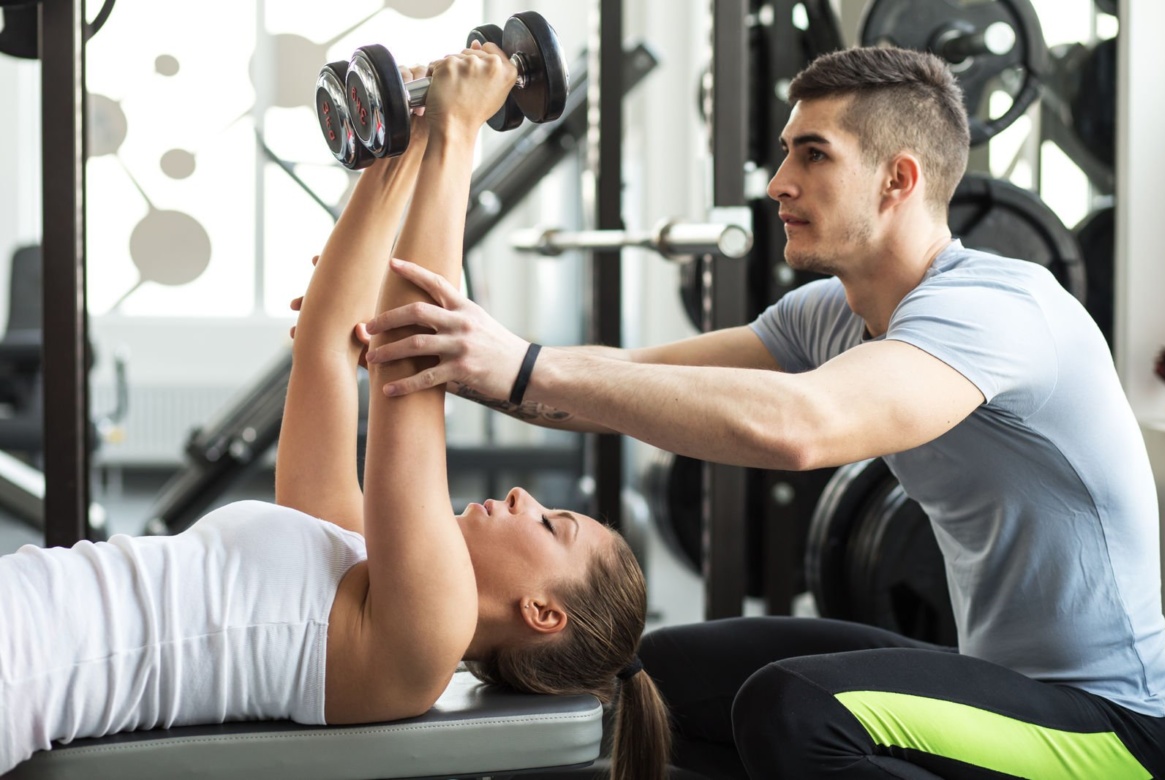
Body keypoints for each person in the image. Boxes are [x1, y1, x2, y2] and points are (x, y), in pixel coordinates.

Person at [359, 46, 1165, 779]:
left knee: (792, 708)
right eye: (786, 151)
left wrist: (524, 364)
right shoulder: (829, 312)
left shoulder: (997, 308)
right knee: (662, 682)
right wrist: (464, 359)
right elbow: (625, 384)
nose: (778, 181)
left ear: (899, 179)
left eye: (813, 155)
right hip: (997, 682)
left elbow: (801, 427)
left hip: (1112, 729)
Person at [0, 44, 669, 780]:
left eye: (552, 525)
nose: (524, 498)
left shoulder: (427, 639)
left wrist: (459, 133)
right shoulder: (355, 560)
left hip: (24, 664)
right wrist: (401, 147)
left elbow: (410, 364)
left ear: (542, 613)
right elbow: (326, 341)